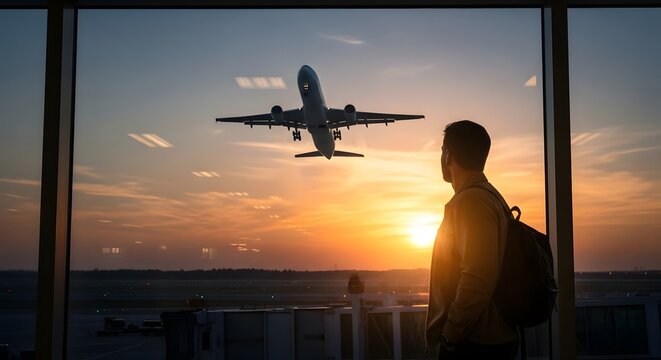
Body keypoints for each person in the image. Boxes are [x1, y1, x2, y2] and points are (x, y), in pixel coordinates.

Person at [426, 120, 519, 359]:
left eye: (442, 150)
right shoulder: (490, 196)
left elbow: (477, 278)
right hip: (489, 339)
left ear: (448, 155)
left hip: (476, 343)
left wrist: (450, 334)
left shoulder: (472, 202)